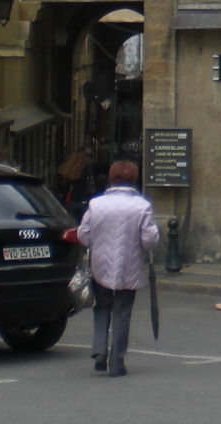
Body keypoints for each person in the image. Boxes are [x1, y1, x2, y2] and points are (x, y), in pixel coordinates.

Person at [77, 159, 160, 376]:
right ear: (133, 179)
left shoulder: (96, 204)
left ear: (111, 178)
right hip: (128, 265)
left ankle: (99, 349)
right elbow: (149, 240)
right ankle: (117, 361)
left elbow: (83, 235)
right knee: (122, 312)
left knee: (102, 306)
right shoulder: (142, 206)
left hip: (100, 264)